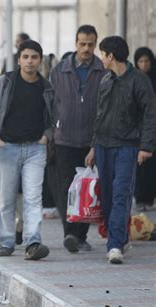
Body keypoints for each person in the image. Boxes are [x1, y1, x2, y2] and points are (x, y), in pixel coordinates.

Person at [85, 36, 156, 264]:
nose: (101, 59)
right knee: (106, 197)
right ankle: (121, 238)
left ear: (111, 56)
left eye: (103, 54)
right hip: (104, 147)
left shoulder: (139, 81)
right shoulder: (106, 81)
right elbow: (99, 117)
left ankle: (114, 245)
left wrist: (146, 146)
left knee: (121, 194)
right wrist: (93, 148)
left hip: (127, 147)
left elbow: (150, 114)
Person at [0, 40, 54, 260]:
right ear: (19, 59)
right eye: (26, 57)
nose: (30, 61)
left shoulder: (46, 87)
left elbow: (54, 118)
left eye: (34, 57)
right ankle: (6, 241)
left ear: (40, 60)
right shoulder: (5, 82)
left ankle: (33, 242)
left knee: (33, 198)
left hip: (35, 149)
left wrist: (46, 137)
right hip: (7, 148)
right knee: (7, 199)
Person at [50, 25, 107, 253]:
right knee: (66, 188)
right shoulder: (60, 70)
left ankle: (81, 236)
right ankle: (69, 233)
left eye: (91, 44)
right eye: (82, 43)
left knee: (88, 188)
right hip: (64, 139)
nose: (86, 48)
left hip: (90, 140)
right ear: (75, 43)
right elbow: (51, 104)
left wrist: (96, 142)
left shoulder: (102, 70)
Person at [133, 47, 156, 211]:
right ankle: (141, 198)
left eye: (146, 61)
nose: (144, 64)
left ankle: (150, 198)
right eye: (140, 61)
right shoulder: (134, 80)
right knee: (141, 166)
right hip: (139, 129)